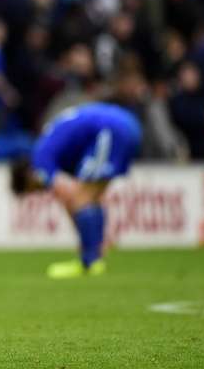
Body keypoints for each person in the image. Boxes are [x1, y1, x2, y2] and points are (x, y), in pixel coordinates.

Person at [11, 102, 141, 279]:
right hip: (127, 123)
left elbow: (70, 196)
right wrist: (97, 237)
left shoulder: (40, 158)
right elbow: (95, 198)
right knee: (92, 194)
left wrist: (83, 238)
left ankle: (89, 261)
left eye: (33, 190)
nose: (41, 191)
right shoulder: (57, 151)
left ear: (28, 176)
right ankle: (95, 256)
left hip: (110, 129)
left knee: (82, 197)